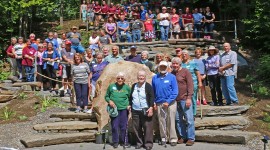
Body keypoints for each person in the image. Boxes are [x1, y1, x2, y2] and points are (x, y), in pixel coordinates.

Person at [152, 61, 178, 146]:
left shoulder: (172, 77)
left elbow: (175, 91)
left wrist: (168, 101)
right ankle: (164, 138)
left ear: (167, 67)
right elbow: (153, 91)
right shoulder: (155, 77)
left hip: (170, 103)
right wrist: (154, 102)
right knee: (161, 121)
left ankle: (173, 138)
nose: (162, 68)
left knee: (171, 121)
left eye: (164, 67)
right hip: (159, 102)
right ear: (159, 67)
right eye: (161, 67)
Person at [171, 57, 195, 146]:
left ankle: (191, 138)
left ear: (180, 64)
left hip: (185, 99)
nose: (175, 65)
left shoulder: (186, 72)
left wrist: (189, 97)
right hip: (175, 100)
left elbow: (190, 85)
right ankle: (182, 136)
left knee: (189, 119)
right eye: (173, 64)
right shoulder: (172, 73)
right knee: (178, 119)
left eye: (176, 64)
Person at [128, 70, 154, 150]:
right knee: (136, 127)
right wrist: (129, 105)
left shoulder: (148, 86)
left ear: (145, 77)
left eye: (143, 76)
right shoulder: (134, 86)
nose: (141, 77)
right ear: (137, 77)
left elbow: (152, 97)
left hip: (145, 109)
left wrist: (151, 107)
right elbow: (131, 97)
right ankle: (139, 143)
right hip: (135, 110)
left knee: (147, 127)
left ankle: (148, 144)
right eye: (139, 76)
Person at [105, 72, 131, 148]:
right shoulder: (111, 86)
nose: (120, 79)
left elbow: (130, 98)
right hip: (114, 109)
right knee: (115, 126)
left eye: (122, 78)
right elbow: (106, 96)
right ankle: (115, 141)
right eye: (118, 78)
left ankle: (123, 141)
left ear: (124, 79)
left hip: (124, 109)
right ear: (116, 79)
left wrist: (129, 105)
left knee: (123, 127)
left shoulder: (127, 87)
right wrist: (109, 101)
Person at [182, 50, 202, 116]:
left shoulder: (193, 63)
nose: (184, 55)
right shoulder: (181, 64)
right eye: (183, 54)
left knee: (193, 98)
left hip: (193, 83)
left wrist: (200, 82)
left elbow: (198, 73)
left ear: (188, 55)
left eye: (185, 54)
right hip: (184, 84)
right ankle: (186, 113)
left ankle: (193, 113)